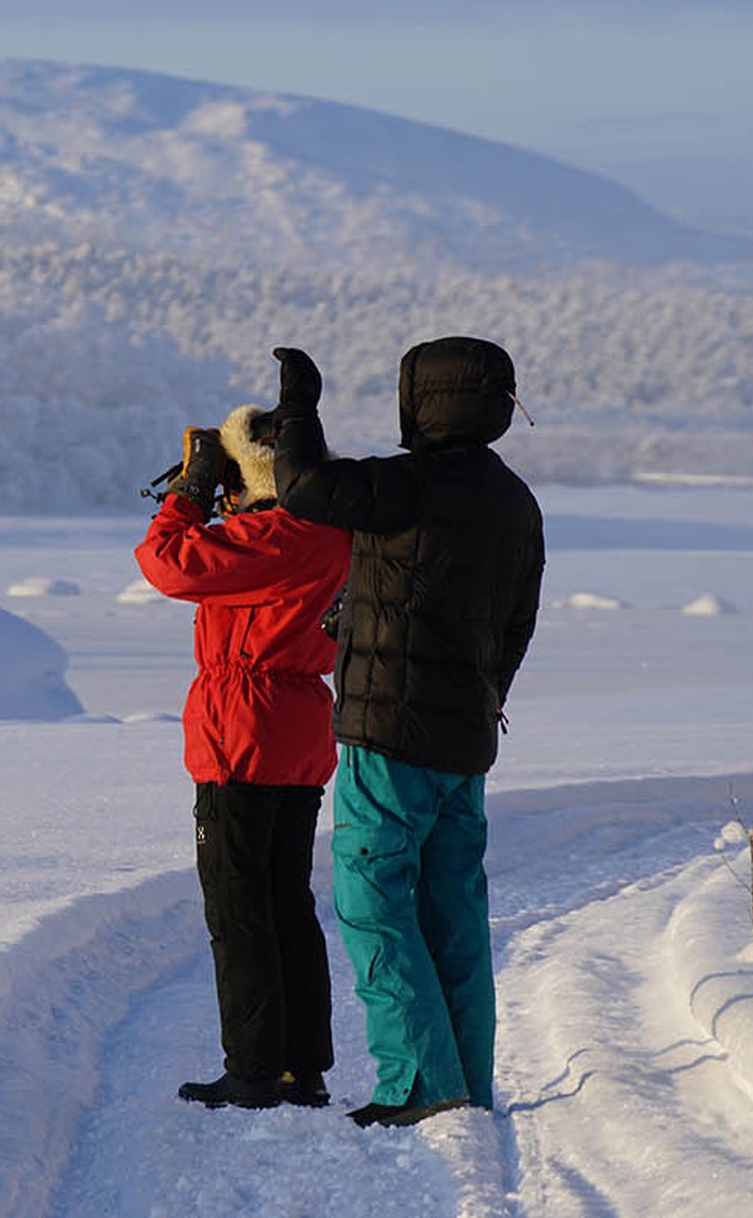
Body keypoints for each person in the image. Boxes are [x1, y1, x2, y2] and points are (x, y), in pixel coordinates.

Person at [270, 338, 543, 1128]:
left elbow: (303, 488)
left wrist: (298, 410)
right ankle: (467, 1083)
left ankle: (421, 1082)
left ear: (422, 400)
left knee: (374, 902)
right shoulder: (516, 503)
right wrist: (485, 695)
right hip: (466, 744)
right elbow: (518, 621)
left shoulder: (405, 484)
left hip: (387, 737)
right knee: (455, 913)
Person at [135, 402, 353, 1111]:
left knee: (238, 908)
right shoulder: (333, 536)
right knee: (287, 901)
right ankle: (300, 1066)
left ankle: (253, 1068)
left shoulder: (271, 537)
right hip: (297, 732)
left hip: (242, 734)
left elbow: (165, 562)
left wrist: (189, 491)